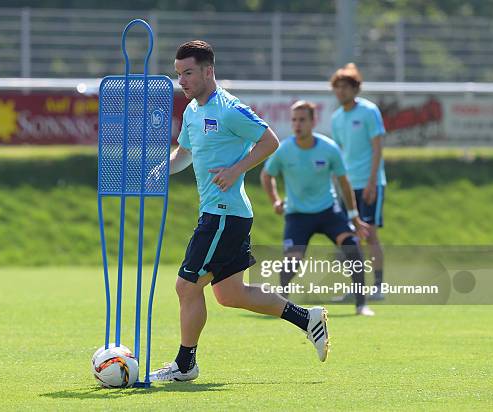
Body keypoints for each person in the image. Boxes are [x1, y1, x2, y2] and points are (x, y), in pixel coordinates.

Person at [148, 41, 329, 383]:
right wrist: (158, 170)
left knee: (186, 287)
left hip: (224, 214)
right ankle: (307, 319)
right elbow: (183, 155)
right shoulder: (191, 112)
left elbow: (271, 140)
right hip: (219, 213)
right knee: (230, 295)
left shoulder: (230, 108)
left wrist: (236, 170)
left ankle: (185, 365)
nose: (182, 80)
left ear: (208, 71)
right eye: (178, 74)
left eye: (188, 73)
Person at [260, 101, 375, 317]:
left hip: (328, 211)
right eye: (294, 120)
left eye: (302, 120)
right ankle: (281, 304)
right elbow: (267, 175)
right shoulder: (284, 149)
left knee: (352, 246)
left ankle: (361, 304)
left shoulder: (329, 148)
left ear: (313, 122)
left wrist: (354, 217)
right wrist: (275, 200)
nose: (297, 124)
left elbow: (344, 182)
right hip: (297, 214)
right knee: (292, 260)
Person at [330, 63, 386, 301]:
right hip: (347, 187)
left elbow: (377, 149)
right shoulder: (336, 118)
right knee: (348, 238)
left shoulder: (369, 111)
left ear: (355, 89)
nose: (341, 91)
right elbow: (338, 154)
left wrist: (373, 182)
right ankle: (356, 286)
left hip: (369, 183)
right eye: (337, 87)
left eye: (345, 87)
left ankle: (378, 286)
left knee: (370, 234)